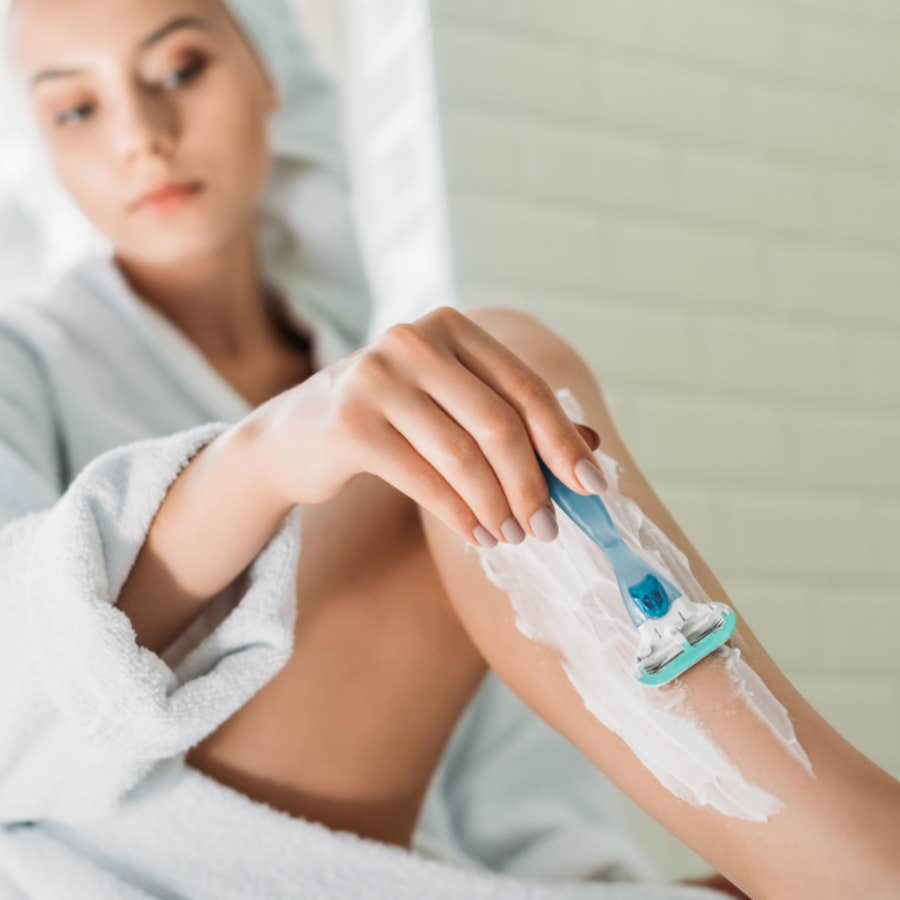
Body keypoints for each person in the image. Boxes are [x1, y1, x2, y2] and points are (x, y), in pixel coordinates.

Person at [0, 1, 897, 899]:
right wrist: (261, 461)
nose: (142, 137)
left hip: (372, 868)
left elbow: (519, 776)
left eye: (181, 69)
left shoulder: (360, 374)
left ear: (266, 74)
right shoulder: (23, 363)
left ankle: (829, 858)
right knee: (478, 380)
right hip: (132, 854)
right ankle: (855, 861)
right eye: (76, 109)